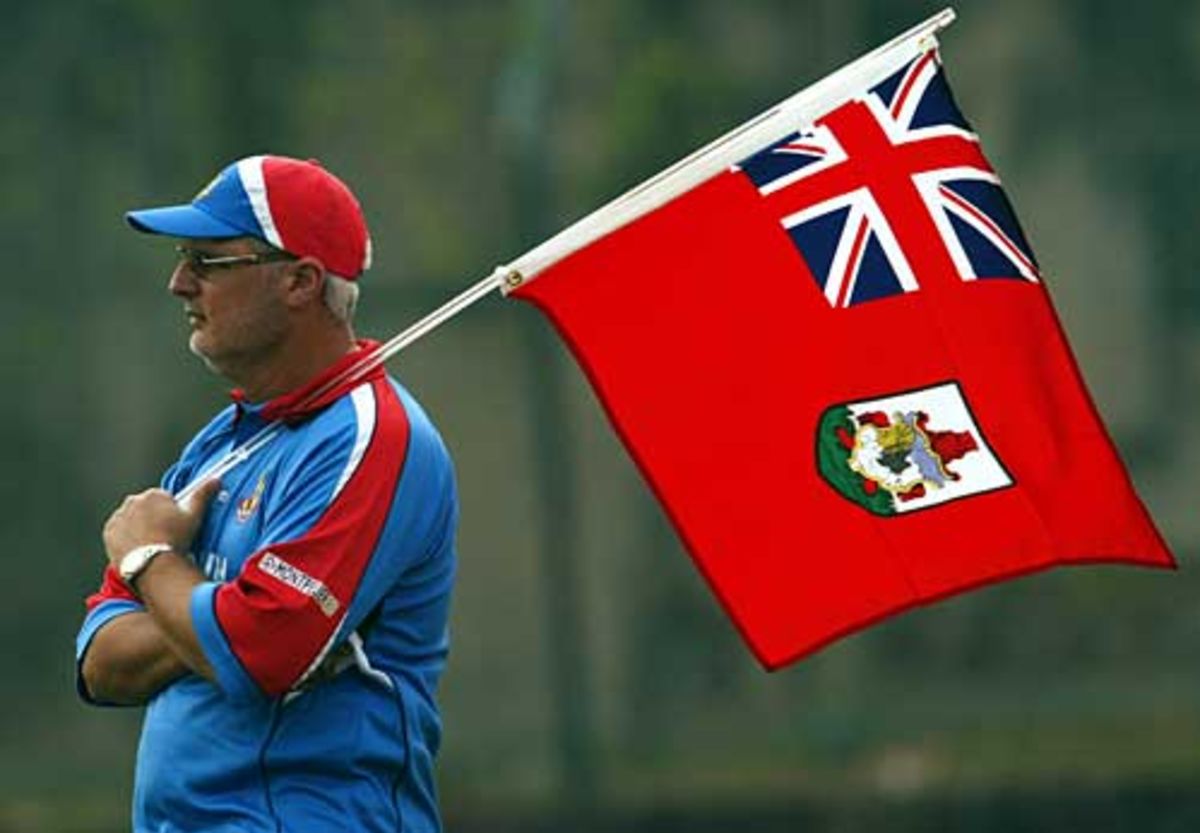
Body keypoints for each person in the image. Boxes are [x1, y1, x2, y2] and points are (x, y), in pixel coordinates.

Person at [74, 155, 459, 833]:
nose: (178, 282)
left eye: (208, 260)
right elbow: (101, 662)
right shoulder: (219, 442)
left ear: (300, 282)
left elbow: (262, 653)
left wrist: (151, 565)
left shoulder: (371, 437)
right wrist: (217, 621)